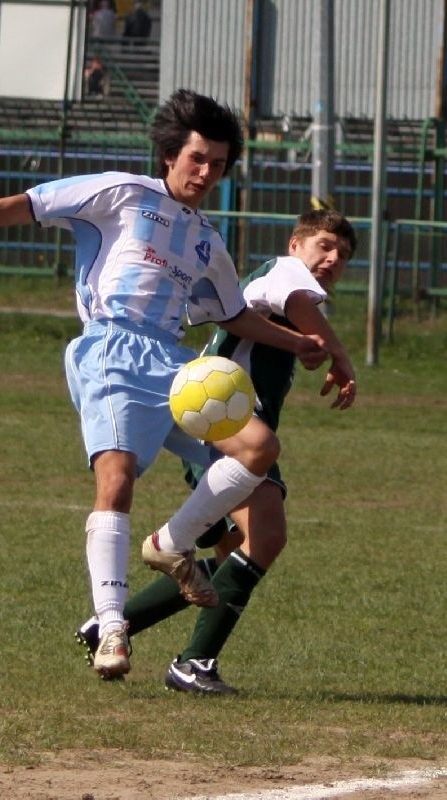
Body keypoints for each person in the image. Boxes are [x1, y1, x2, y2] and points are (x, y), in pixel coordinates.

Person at [0, 90, 353, 682]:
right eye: (197, 159)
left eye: (218, 164)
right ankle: (111, 628)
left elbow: (234, 314)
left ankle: (170, 541)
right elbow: (33, 204)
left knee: (260, 449)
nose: (206, 172)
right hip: (111, 346)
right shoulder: (120, 192)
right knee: (117, 479)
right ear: (169, 155)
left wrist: (304, 346)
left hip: (173, 363)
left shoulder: (208, 240)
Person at [75, 208, 358, 694]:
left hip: (227, 426)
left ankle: (112, 625)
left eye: (343, 255)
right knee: (265, 537)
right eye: (324, 247)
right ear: (296, 245)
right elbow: (296, 298)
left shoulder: (282, 291)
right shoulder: (284, 274)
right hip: (223, 428)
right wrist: (339, 353)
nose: (332, 259)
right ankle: (193, 662)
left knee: (237, 553)